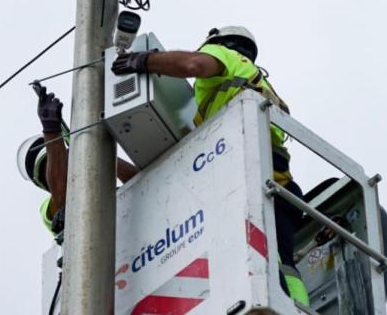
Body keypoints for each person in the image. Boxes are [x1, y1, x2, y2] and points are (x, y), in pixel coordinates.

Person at [111, 26, 310, 307]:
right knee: (284, 260)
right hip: (279, 180)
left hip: (246, 170)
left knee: (265, 257)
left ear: (219, 42)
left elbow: (194, 64)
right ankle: (298, 308)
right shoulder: (257, 82)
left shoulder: (223, 55)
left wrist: (143, 61)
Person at [18, 83, 138, 242]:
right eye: (48, 169)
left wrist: (90, 152)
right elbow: (62, 199)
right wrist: (51, 129)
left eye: (61, 158)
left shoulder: (98, 181)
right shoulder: (49, 209)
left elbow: (138, 179)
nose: (59, 167)